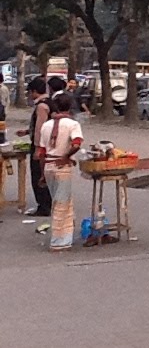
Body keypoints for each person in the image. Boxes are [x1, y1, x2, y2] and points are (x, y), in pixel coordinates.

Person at [37, 95, 84, 251]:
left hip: (48, 166)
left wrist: (42, 174)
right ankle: (59, 240)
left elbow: (41, 152)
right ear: (70, 107)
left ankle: (65, 236)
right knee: (61, 204)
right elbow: (77, 144)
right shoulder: (73, 124)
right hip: (62, 167)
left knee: (58, 201)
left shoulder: (46, 125)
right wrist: (66, 156)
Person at [17, 78, 53, 217]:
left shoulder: (42, 106)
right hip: (49, 145)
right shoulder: (49, 102)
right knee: (46, 174)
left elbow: (40, 128)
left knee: (38, 175)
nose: (30, 96)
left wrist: (38, 148)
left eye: (30, 92)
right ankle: (47, 204)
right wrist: (26, 131)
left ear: (35, 92)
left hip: (42, 145)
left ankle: (43, 206)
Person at [0, 78, 9, 144]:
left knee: (1, 125)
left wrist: (5, 110)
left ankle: (2, 139)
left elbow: (4, 100)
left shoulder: (2, 88)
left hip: (1, 109)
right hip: (2, 109)